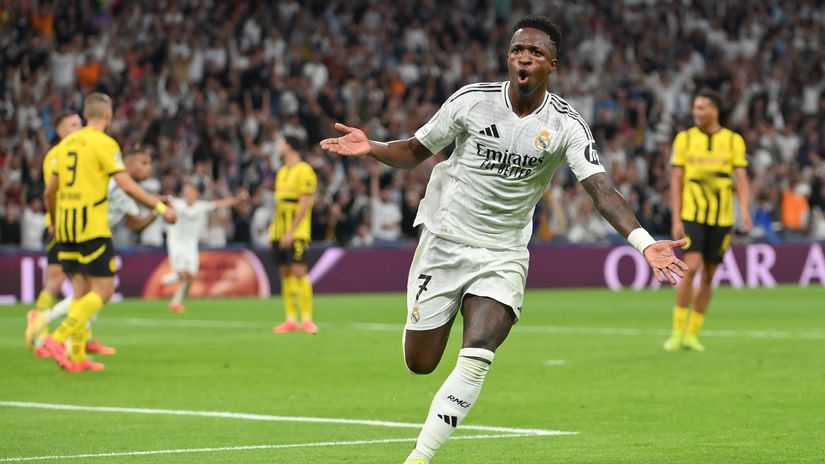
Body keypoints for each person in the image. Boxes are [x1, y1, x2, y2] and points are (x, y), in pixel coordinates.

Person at [320, 16, 688, 464]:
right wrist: (373, 146)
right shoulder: (471, 102)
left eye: (535, 52)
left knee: (478, 354)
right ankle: (432, 315)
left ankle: (418, 458)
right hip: (446, 238)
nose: (525, 57)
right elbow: (415, 150)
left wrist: (645, 242)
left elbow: (601, 190)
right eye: (518, 50)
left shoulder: (567, 124)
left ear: (552, 64)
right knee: (421, 363)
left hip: (503, 252)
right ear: (509, 58)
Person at [40, 92, 177, 372]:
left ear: (86, 113)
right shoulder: (104, 143)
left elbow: (49, 191)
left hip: (65, 227)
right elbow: (126, 185)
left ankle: (76, 357)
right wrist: (161, 208)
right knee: (103, 290)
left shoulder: (64, 145)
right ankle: (57, 337)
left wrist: (54, 220)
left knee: (80, 290)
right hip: (91, 226)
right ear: (109, 115)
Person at [31, 144, 166, 357]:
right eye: (143, 162)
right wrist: (159, 208)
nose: (148, 168)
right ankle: (51, 329)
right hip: (87, 235)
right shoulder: (112, 180)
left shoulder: (127, 192)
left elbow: (134, 224)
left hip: (88, 235)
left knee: (89, 293)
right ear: (127, 163)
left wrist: (156, 211)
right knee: (98, 292)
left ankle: (77, 342)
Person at [665, 89, 752, 352]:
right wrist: (676, 217)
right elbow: (677, 180)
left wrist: (745, 212)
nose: (696, 112)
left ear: (715, 110)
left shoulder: (733, 140)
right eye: (695, 107)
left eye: (701, 108)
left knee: (710, 274)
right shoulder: (685, 139)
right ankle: (677, 332)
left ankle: (693, 334)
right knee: (691, 267)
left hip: (722, 217)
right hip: (693, 214)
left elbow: (742, 180)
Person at [24, 111, 82, 350]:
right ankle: (40, 328)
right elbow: (53, 192)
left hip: (77, 224)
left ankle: (79, 337)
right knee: (57, 280)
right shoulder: (56, 155)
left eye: (80, 123)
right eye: (72, 124)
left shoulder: (78, 152)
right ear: (59, 130)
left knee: (80, 282)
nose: (78, 128)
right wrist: (55, 221)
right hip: (61, 225)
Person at [161, 182, 247, 313]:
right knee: (183, 274)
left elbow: (221, 204)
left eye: (190, 191)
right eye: (186, 192)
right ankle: (171, 278)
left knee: (191, 275)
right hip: (176, 242)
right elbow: (161, 201)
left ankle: (176, 302)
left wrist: (238, 199)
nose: (188, 194)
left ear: (196, 194)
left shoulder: (201, 206)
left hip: (191, 244)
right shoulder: (177, 203)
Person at [271, 136, 319, 334]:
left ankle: (307, 319)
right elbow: (278, 205)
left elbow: (305, 204)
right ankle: (290, 319)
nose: (278, 146)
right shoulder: (281, 171)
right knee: (285, 273)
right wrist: (274, 230)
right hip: (278, 230)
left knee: (299, 271)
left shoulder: (305, 170)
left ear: (288, 145)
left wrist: (291, 232)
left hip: (296, 232)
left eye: (280, 142)